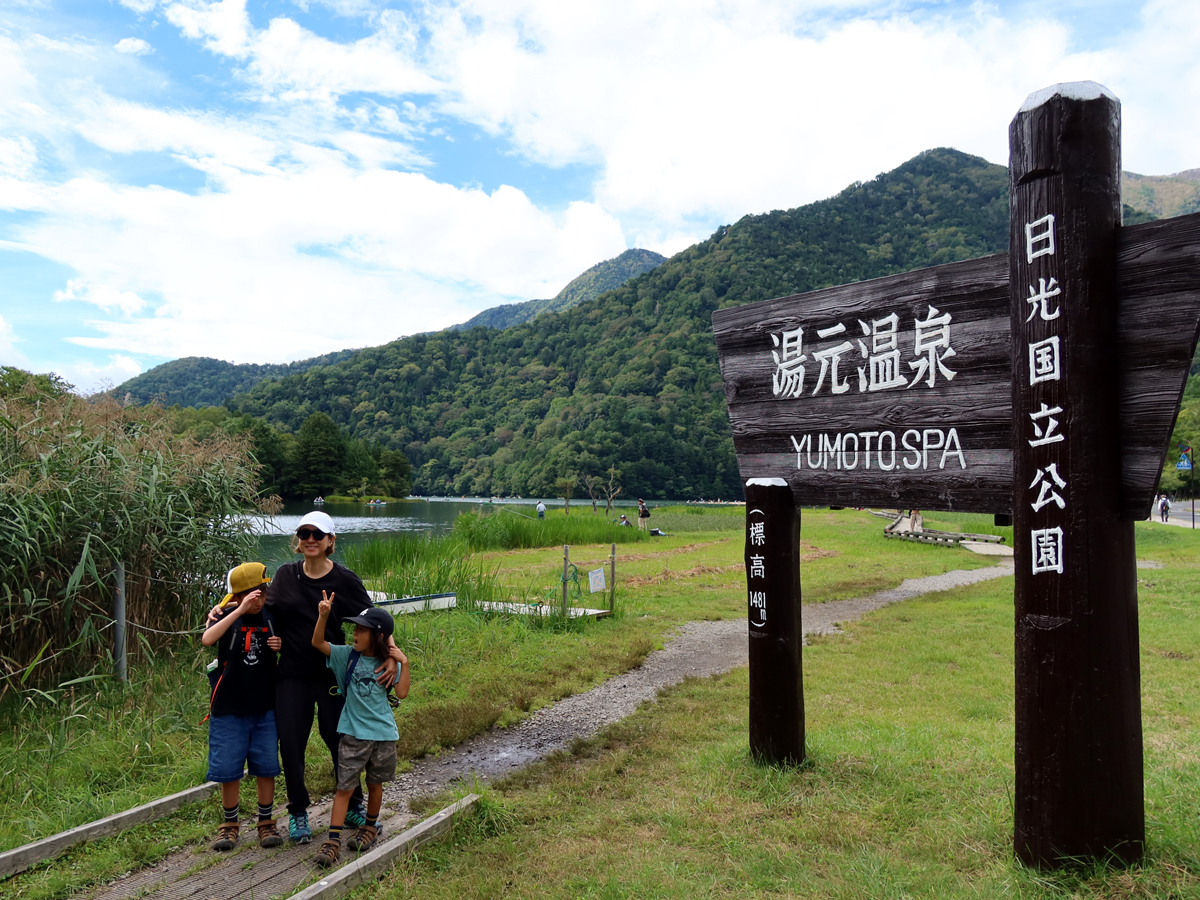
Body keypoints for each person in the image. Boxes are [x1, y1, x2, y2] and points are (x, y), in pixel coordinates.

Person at [257, 512, 404, 844]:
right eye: (304, 533)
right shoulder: (285, 575)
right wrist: (225, 612)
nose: (310, 539)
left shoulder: (345, 580)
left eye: (318, 534)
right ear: (298, 539)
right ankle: (298, 813)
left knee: (340, 742)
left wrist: (391, 656)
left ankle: (352, 805)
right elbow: (266, 610)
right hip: (291, 676)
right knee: (291, 746)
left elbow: (376, 621)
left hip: (333, 676)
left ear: (330, 541)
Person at [310, 603, 408, 867]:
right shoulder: (346, 656)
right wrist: (323, 617)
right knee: (344, 788)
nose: (355, 633)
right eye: (355, 628)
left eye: (362, 630)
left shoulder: (389, 664)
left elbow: (402, 693)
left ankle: (370, 827)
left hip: (384, 735)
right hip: (353, 734)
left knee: (376, 784)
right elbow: (318, 642)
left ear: (376, 636)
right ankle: (333, 841)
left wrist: (403, 661)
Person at [201, 562, 285, 852]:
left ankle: (266, 822)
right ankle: (229, 824)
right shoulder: (225, 615)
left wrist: (279, 645)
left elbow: (287, 646)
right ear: (238, 596)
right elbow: (207, 639)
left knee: (266, 766)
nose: (259, 599)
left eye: (262, 592)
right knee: (228, 768)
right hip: (228, 707)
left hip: (264, 707)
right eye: (253, 594)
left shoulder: (271, 616)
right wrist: (236, 610)